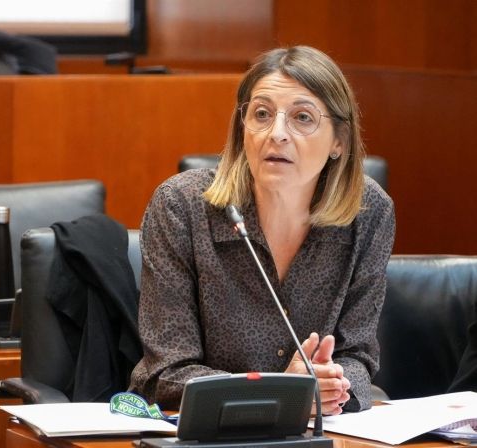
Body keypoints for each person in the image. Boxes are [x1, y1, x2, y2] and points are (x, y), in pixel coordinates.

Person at [129, 46, 395, 414]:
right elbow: (167, 373)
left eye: (302, 117)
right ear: (243, 129)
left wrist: (330, 383)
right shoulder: (181, 206)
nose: (277, 133)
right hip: (198, 430)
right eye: (262, 114)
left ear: (339, 140)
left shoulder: (368, 212)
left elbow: (358, 358)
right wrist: (282, 394)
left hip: (316, 428)